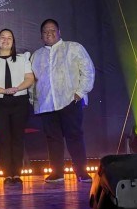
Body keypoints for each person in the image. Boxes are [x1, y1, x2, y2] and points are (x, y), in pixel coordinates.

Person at [31, 19, 95, 183]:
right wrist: (34, 99)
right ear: (41, 36)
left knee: (74, 136)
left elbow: (88, 70)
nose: (49, 33)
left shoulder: (73, 48)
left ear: (60, 32)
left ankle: (81, 171)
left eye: (52, 30)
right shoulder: (36, 55)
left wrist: (80, 93)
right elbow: (32, 80)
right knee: (53, 139)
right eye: (45, 31)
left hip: (70, 100)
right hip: (46, 103)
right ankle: (57, 172)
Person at [0, 29, 35, 185]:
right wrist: (4, 91)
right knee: (3, 139)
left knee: (17, 138)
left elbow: (29, 78)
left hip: (19, 102)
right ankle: (6, 174)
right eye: (2, 37)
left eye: (9, 37)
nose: (6, 40)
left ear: (13, 41)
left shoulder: (22, 59)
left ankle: (17, 173)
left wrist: (17, 88)